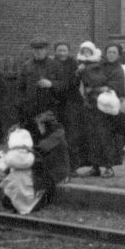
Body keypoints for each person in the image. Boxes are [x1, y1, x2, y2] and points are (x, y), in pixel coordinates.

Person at [76, 40, 123, 177]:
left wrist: (101, 87)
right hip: (92, 105)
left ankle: (109, 167)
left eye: (114, 52)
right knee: (92, 136)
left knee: (105, 137)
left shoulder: (118, 70)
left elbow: (116, 86)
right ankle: (95, 167)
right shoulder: (99, 64)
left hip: (106, 107)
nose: (111, 55)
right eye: (109, 52)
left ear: (118, 55)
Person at [51, 41, 84, 172]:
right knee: (57, 134)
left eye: (64, 50)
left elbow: (75, 83)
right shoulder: (52, 64)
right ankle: (58, 165)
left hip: (72, 103)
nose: (62, 53)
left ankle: (73, 167)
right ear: (55, 51)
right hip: (57, 103)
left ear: (68, 51)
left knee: (72, 135)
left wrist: (76, 75)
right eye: (59, 50)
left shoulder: (74, 64)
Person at [17, 39, 58, 132]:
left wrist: (51, 84)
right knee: (33, 134)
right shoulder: (26, 66)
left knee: (49, 135)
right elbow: (20, 87)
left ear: (46, 50)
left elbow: (63, 84)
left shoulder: (54, 65)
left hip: (49, 107)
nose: (38, 52)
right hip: (31, 108)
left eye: (41, 49)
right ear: (32, 51)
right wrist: (24, 103)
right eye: (36, 49)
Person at [31, 109, 70, 208]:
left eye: (39, 126)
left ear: (44, 125)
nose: (39, 129)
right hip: (56, 169)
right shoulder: (55, 133)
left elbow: (41, 149)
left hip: (57, 171)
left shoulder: (55, 136)